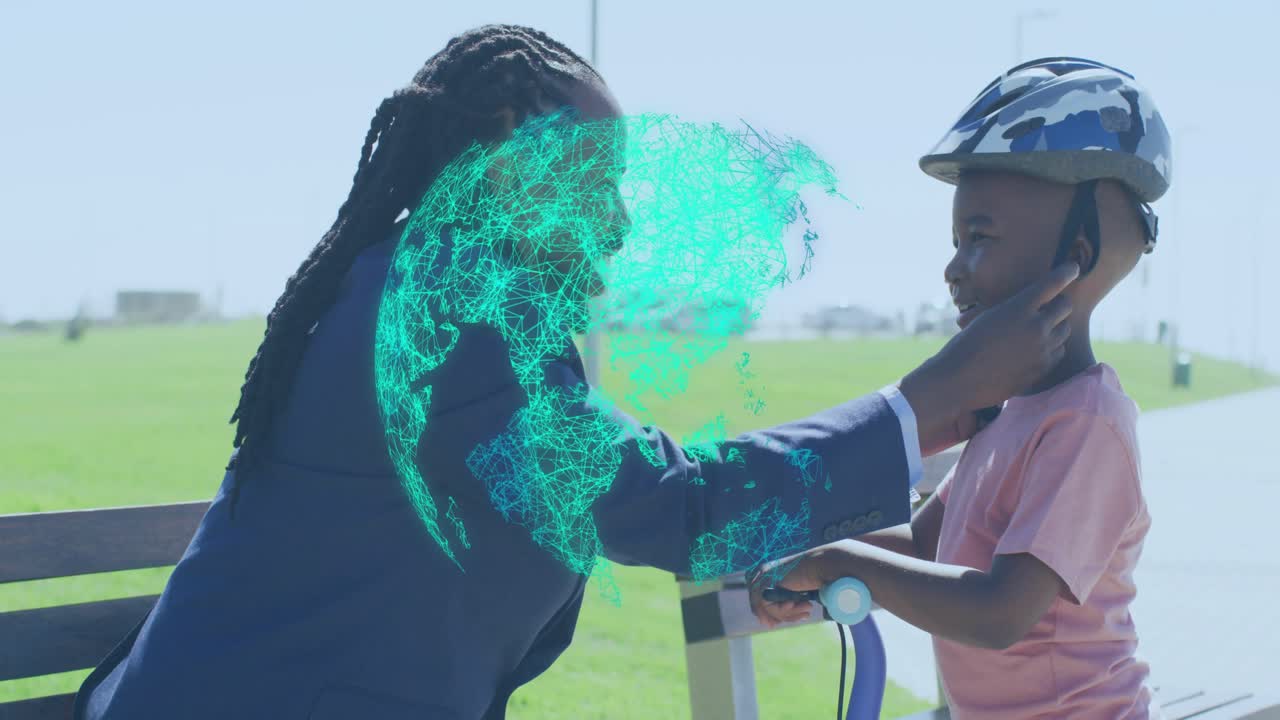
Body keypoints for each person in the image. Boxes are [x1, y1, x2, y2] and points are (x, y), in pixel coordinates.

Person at [75, 27, 1079, 720]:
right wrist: (930, 396)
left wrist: (918, 436)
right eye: (597, 177)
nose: (619, 219)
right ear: (512, 149)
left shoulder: (440, 295)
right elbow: (670, 505)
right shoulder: (444, 315)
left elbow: (647, 488)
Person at [751, 57, 1170, 719]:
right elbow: (925, 547)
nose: (953, 268)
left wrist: (837, 562)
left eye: (980, 238)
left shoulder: (1088, 423)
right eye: (955, 240)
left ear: (1078, 253)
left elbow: (1000, 612)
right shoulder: (1006, 414)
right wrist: (811, 559)